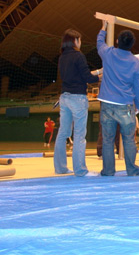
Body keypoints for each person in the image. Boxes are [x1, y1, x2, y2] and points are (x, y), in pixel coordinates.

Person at [97, 19, 139, 177]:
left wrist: (103, 27)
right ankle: (132, 170)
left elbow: (99, 43)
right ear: (132, 45)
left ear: (117, 41)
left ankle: (108, 171)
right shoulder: (135, 62)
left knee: (108, 139)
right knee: (129, 139)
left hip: (107, 104)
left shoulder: (108, 53)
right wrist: (137, 104)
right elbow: (138, 86)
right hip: (126, 105)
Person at [54, 29, 101, 177]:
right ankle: (80, 170)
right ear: (75, 41)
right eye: (80, 40)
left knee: (63, 133)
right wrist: (100, 75)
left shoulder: (62, 57)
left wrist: (96, 72)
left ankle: (60, 168)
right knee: (80, 134)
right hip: (77, 98)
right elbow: (87, 77)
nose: (80, 43)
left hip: (65, 97)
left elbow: (78, 75)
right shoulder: (78, 55)